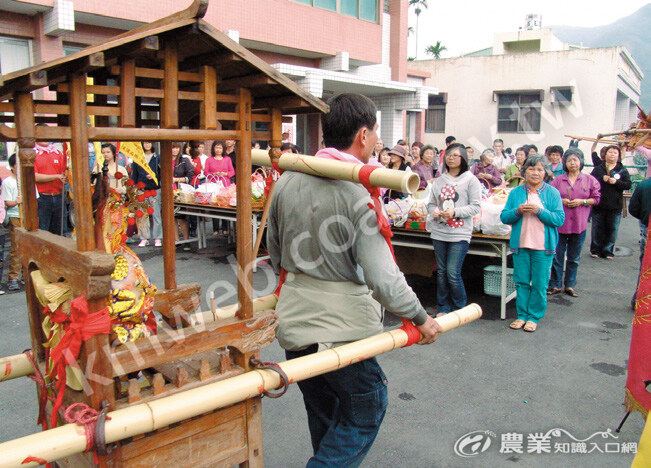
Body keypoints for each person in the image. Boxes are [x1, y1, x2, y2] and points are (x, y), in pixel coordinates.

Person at [267, 93, 440, 467]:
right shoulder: (357, 193)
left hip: (295, 323)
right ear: (363, 134)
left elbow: (276, 254)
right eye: (376, 132)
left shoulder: (288, 179)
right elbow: (383, 278)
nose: (378, 140)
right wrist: (421, 318)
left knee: (326, 417)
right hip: (340, 332)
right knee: (366, 410)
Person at [500, 154, 564, 332]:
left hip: (544, 247)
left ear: (545, 172)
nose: (535, 173)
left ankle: (534, 317)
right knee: (521, 281)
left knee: (539, 283)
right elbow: (504, 217)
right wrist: (517, 211)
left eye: (539, 169)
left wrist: (539, 211)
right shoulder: (516, 192)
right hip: (521, 245)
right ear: (524, 171)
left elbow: (559, 219)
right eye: (531, 169)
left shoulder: (553, 193)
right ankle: (521, 315)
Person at [427, 143, 482, 315]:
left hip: (460, 233)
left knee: (452, 272)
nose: (451, 158)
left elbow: (475, 207)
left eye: (456, 155)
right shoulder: (439, 180)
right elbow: (429, 204)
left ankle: (460, 306)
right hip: (439, 232)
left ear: (463, 159)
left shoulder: (470, 180)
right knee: (441, 272)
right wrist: (434, 212)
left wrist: (455, 212)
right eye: (449, 155)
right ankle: (443, 306)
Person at [548, 148, 601, 297]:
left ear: (581, 162)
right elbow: (549, 197)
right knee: (557, 256)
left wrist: (582, 201)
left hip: (579, 224)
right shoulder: (558, 180)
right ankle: (555, 284)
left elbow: (596, 198)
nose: (572, 163)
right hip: (560, 225)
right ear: (564, 163)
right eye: (569, 160)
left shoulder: (590, 180)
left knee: (574, 257)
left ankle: (570, 284)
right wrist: (561, 200)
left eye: (575, 160)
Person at [590, 145, 631, 259]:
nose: (612, 154)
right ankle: (595, 250)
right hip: (599, 204)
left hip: (615, 206)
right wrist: (601, 178)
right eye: (610, 152)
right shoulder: (598, 168)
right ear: (605, 154)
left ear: (618, 156)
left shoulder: (622, 170)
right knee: (597, 228)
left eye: (615, 153)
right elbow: (591, 181)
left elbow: (628, 184)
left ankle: (608, 250)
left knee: (612, 229)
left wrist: (617, 182)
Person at [34, 137, 67, 235]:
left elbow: (64, 172)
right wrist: (57, 176)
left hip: (59, 195)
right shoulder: (32, 154)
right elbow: (35, 177)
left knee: (61, 230)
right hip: (42, 197)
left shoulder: (57, 153)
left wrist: (66, 177)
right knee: (43, 230)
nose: (45, 138)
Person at [131, 141, 162, 248]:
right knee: (142, 215)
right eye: (145, 143)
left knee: (156, 214)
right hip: (141, 189)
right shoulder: (137, 157)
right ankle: (144, 237)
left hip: (154, 188)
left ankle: (157, 237)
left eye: (149, 143)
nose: (147, 145)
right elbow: (134, 175)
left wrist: (155, 177)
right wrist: (134, 188)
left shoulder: (157, 157)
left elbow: (162, 173)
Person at [629, 176, 651, 308]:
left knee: (645, 268)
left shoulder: (644, 184)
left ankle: (638, 300)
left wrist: (644, 219)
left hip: (647, 228)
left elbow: (633, 208)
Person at [2, 154, 22, 291]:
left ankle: (26, 276)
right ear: (13, 167)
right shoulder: (7, 182)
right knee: (16, 248)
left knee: (29, 248)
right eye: (17, 165)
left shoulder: (27, 180)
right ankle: (13, 278)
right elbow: (7, 202)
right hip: (15, 217)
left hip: (27, 216)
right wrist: (16, 201)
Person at [171, 142, 195, 245]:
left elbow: (190, 176)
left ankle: (186, 240)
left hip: (180, 192)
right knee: (172, 218)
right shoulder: (163, 160)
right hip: (168, 191)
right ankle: (177, 240)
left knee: (181, 218)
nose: (174, 150)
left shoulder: (184, 160)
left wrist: (176, 179)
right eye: (172, 148)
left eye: (176, 148)